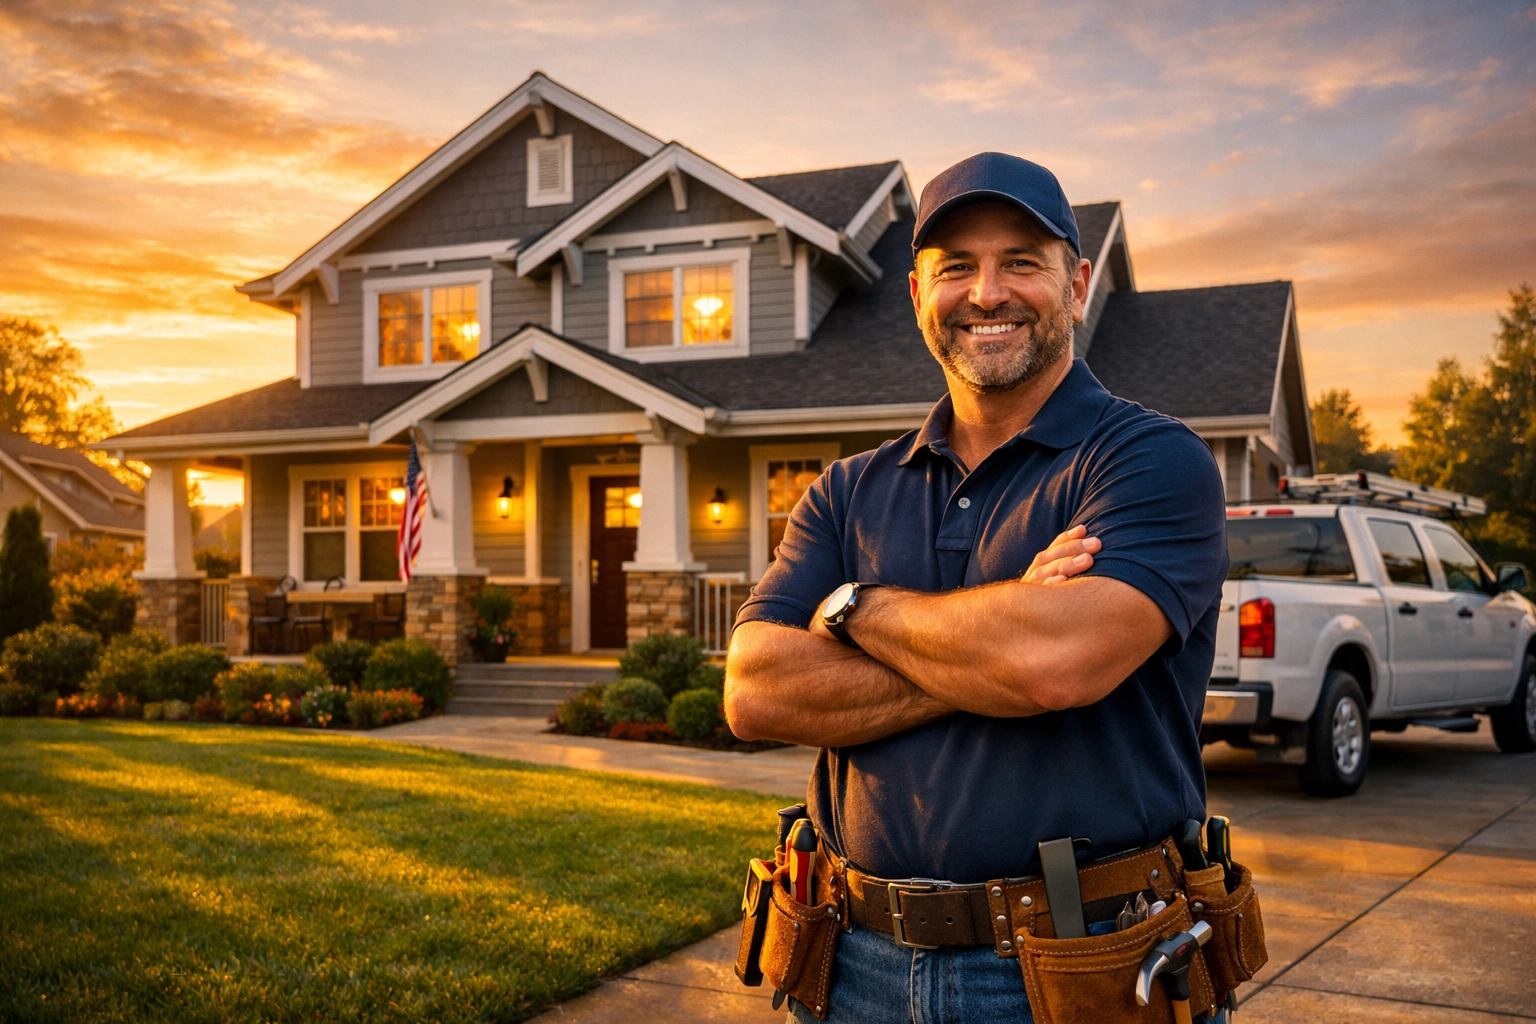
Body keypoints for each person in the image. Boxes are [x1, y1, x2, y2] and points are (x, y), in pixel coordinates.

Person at [724, 152, 1229, 1023]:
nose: (986, 293)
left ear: (1075, 285)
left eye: (1021, 262)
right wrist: (994, 639)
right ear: (918, 296)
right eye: (955, 266)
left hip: (1082, 959)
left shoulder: (1149, 461)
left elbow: (1053, 665)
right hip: (852, 963)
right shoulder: (849, 489)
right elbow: (755, 691)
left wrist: (854, 609)